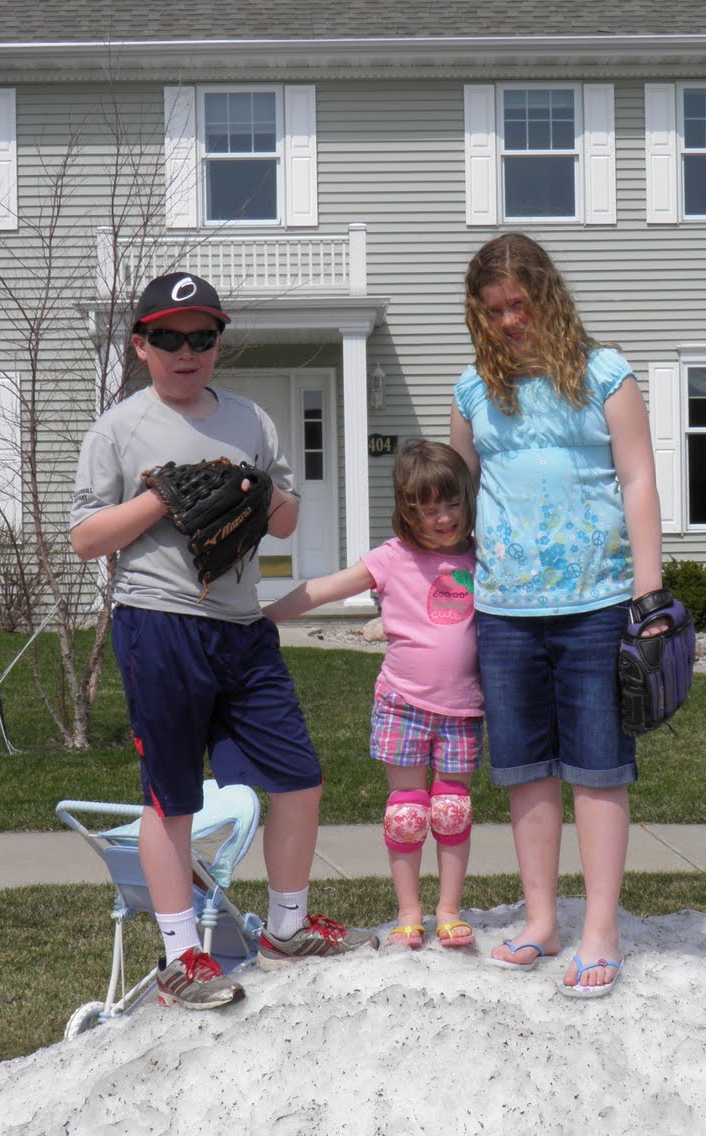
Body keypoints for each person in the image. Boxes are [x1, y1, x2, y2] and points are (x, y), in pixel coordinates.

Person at [70, 271, 377, 1011]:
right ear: (140, 345)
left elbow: (286, 522)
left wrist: (261, 493)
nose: (187, 352)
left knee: (299, 779)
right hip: (160, 625)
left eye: (202, 337)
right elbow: (86, 538)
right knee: (170, 797)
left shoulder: (250, 420)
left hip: (242, 628)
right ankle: (183, 956)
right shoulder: (119, 428)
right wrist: (161, 498)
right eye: (170, 338)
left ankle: (286, 930)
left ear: (217, 344)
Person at [448, 233, 665, 999]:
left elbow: (638, 480)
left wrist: (648, 595)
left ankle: (600, 930)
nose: (509, 321)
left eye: (520, 303)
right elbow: (457, 499)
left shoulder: (607, 375)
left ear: (548, 294)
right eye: (493, 311)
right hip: (504, 610)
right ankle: (541, 921)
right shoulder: (473, 391)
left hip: (597, 604)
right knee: (525, 769)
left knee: (599, 768)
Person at [263, 440, 483, 952]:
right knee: (407, 814)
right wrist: (263, 616)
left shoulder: (481, 556)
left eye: (452, 505)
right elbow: (323, 589)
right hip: (403, 705)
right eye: (429, 510)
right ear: (408, 510)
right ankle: (409, 913)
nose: (444, 519)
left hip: (462, 707)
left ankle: (449, 911)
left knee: (452, 809)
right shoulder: (392, 558)